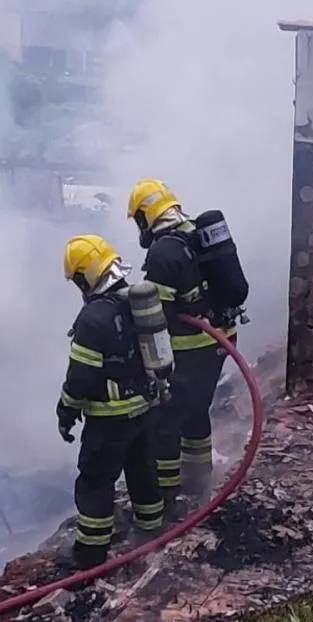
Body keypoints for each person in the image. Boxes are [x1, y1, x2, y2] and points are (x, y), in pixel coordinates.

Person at [126, 179, 237, 517]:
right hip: (222, 339)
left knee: (166, 421)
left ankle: (168, 495)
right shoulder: (197, 232)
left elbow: (156, 314)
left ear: (145, 216)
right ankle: (198, 480)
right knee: (196, 410)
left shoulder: (163, 252)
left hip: (192, 349)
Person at [56, 234, 164, 570]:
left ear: (85, 275)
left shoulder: (93, 318)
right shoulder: (134, 301)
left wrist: (66, 411)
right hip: (144, 407)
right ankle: (151, 529)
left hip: (109, 418)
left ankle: (90, 554)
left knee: (95, 481)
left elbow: (81, 378)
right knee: (142, 468)